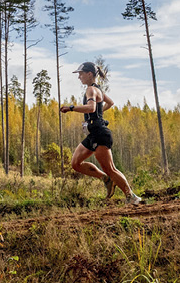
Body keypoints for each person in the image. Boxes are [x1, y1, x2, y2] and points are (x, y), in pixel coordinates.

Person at [60, 61, 144, 205]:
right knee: (75, 164)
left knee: (110, 168)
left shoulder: (91, 90)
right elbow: (110, 103)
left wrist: (71, 108)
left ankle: (132, 197)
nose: (79, 77)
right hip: (93, 134)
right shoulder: (98, 90)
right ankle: (106, 179)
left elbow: (91, 107)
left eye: (80, 74)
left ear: (89, 74)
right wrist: (99, 114)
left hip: (100, 134)